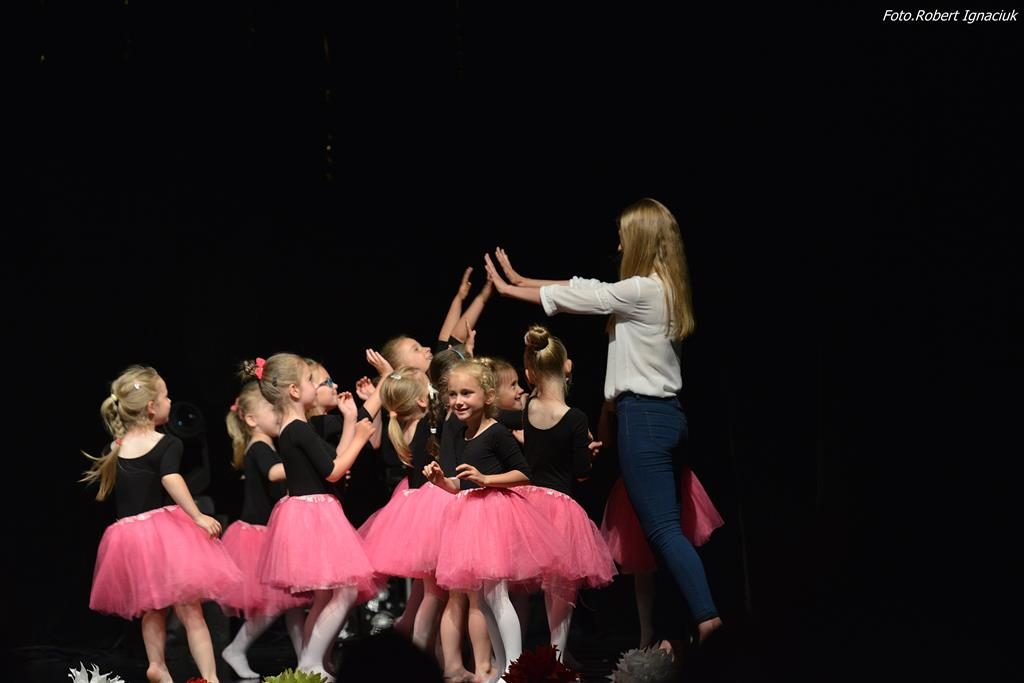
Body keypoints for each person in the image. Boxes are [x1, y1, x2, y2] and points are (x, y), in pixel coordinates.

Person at [483, 197, 723, 648]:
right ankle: (677, 633)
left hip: (644, 418)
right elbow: (588, 286)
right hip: (668, 417)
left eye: (623, 236)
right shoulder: (664, 289)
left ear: (642, 239)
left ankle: (708, 623)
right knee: (661, 535)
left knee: (663, 530)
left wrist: (511, 291)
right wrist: (521, 279)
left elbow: (584, 297)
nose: (617, 244)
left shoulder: (642, 290)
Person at [82, 365, 242, 683]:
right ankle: (210, 677)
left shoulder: (117, 447)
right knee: (191, 610)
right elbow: (171, 479)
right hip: (163, 533)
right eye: (167, 397)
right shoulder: (166, 443)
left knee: (152, 607)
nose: (171, 402)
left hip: (128, 536)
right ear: (152, 407)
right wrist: (197, 516)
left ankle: (156, 664)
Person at [424, 359, 563, 679]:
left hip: (494, 515)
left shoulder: (497, 432)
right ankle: (503, 667)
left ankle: (515, 668)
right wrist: (441, 481)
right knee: (485, 599)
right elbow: (460, 484)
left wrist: (487, 479)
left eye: (467, 393)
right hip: (470, 515)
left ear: (487, 396)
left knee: (497, 596)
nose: (458, 401)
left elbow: (524, 474)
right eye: (453, 394)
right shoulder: (461, 433)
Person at [252, 353, 376, 682]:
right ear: (294, 390)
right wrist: (361, 437)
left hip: (308, 511)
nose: (314, 386)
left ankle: (311, 662)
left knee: (326, 595)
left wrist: (350, 420)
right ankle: (309, 662)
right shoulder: (299, 429)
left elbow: (331, 459)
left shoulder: (294, 428)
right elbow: (334, 471)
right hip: (314, 513)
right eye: (310, 380)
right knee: (346, 592)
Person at [515, 324, 618, 661]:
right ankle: (558, 654)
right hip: (560, 505)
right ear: (568, 366)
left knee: (526, 583)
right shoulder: (575, 418)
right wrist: (588, 454)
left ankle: (523, 656)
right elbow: (582, 473)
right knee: (561, 584)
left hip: (529, 503)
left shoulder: (528, 407)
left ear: (529, 373)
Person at [220, 379, 310, 679]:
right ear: (251, 419)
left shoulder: (267, 444)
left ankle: (307, 660)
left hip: (270, 533)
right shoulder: (259, 447)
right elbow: (273, 473)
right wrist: (306, 461)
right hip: (257, 537)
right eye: (272, 409)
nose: (279, 413)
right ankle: (237, 647)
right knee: (274, 604)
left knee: (293, 604)